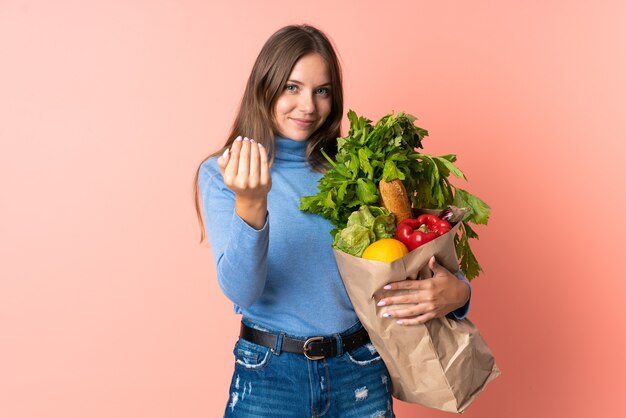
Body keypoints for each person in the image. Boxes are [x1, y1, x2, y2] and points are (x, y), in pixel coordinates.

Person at [194, 24, 471, 418]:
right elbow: (243, 291)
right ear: (264, 86)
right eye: (292, 87)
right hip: (269, 376)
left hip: (358, 370)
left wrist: (459, 295)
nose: (308, 105)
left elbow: (417, 258)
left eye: (321, 90)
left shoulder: (358, 171)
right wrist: (252, 203)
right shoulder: (228, 173)